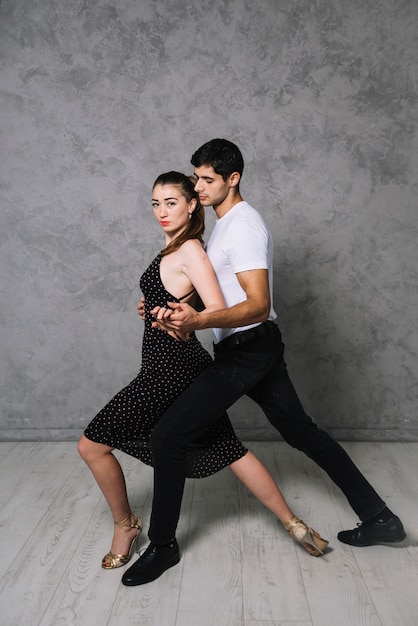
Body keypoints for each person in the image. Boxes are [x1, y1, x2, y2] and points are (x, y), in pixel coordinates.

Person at [121, 139, 406, 587]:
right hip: (249, 349)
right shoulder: (222, 227)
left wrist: (197, 320)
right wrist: (166, 307)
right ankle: (380, 517)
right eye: (196, 177)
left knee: (169, 434)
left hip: (250, 347)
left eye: (208, 179)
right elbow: (217, 293)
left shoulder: (245, 226)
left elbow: (256, 304)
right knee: (302, 431)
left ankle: (162, 545)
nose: (199, 185)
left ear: (233, 179)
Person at [78, 170, 328, 572]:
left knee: (91, 446)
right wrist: (156, 310)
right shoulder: (176, 249)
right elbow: (183, 298)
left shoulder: (191, 249)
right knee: (231, 449)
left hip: (169, 370)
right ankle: (294, 523)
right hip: (178, 366)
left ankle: (125, 526)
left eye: (171, 202)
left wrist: (182, 319)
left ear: (193, 204)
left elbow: (213, 311)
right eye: (155, 203)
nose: (161, 211)